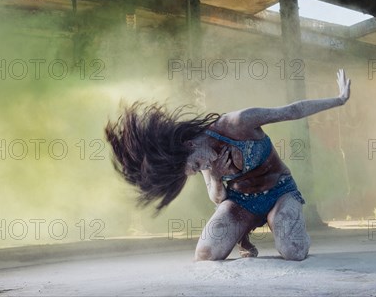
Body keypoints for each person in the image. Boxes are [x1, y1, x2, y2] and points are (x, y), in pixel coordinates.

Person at [105, 69, 351, 261]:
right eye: (197, 169)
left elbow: (291, 111)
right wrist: (217, 176)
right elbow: (216, 198)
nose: (202, 167)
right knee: (205, 254)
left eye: (197, 164)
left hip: (279, 192)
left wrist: (338, 100)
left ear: (190, 145)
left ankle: (283, 221)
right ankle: (243, 233)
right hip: (242, 203)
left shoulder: (238, 122)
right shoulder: (204, 163)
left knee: (293, 250)